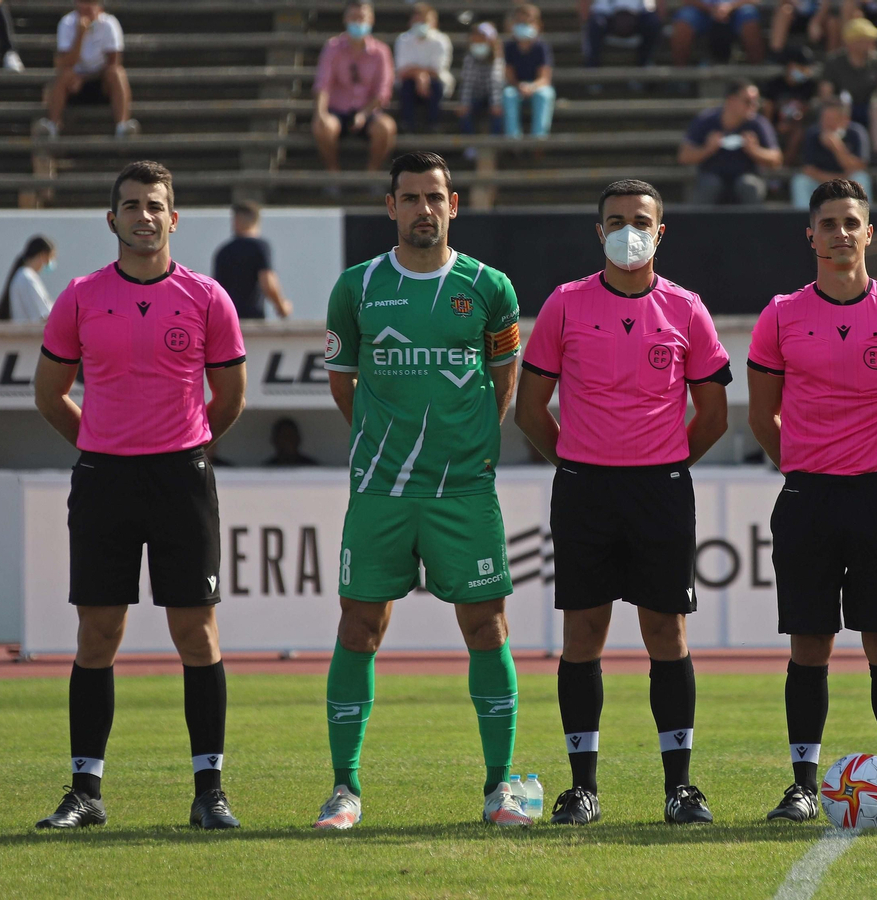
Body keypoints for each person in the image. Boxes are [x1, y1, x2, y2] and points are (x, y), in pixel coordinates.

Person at [315, 151, 530, 830]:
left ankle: (501, 789)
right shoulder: (356, 288)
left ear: (453, 203)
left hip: (464, 491)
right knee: (359, 627)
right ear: (391, 207)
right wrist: (389, 445)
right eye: (409, 198)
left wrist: (462, 449)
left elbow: (505, 381)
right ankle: (345, 790)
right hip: (379, 490)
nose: (423, 210)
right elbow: (344, 383)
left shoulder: (490, 287)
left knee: (486, 627)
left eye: (434, 197)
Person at [31, 160, 249, 831]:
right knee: (98, 633)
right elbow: (49, 393)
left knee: (196, 631)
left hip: (181, 477)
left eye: (156, 206)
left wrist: (178, 444)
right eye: (132, 206)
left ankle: (209, 791)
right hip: (105, 479)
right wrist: (101, 440)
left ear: (173, 217)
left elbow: (231, 399)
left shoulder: (209, 297)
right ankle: (85, 792)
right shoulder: (79, 296)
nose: (144, 217)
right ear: (112, 219)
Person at [515, 180, 731, 827]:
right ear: (598, 231)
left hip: (660, 489)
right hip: (585, 488)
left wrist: (660, 461)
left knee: (667, 633)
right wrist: (582, 461)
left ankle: (680, 789)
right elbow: (529, 412)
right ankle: (583, 788)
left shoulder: (688, 309)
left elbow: (714, 416)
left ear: (660, 232)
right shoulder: (564, 305)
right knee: (583, 634)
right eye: (615, 220)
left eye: (640, 220)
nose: (627, 230)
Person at [748, 178, 877, 825]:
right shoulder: (780, 314)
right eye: (829, 223)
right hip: (808, 497)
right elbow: (761, 417)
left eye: (851, 222)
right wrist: (807, 469)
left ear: (869, 233)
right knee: (808, 644)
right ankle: (803, 786)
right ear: (810, 235)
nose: (841, 233)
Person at [312, 1, 397, 173]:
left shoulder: (381, 52)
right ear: (345, 19)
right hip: (337, 111)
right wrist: (320, 113)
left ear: (371, 19)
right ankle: (333, 172)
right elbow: (323, 84)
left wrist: (363, 114)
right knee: (322, 126)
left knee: (386, 128)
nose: (358, 22)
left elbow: (383, 91)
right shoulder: (332, 47)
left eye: (362, 17)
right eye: (353, 17)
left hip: (368, 112)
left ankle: (372, 172)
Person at [35, 0, 131, 139]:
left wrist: (87, 77)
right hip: (74, 85)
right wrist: (80, 35)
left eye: (92, 2)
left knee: (117, 73)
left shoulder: (110, 23)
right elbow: (64, 63)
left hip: (101, 83)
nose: (87, 6)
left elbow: (114, 62)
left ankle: (122, 127)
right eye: (84, 2)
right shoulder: (67, 23)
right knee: (63, 76)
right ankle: (52, 126)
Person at [678, 79, 783, 205]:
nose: (754, 106)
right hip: (712, 175)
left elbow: (776, 159)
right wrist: (708, 149)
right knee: (709, 185)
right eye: (748, 101)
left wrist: (754, 150)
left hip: (747, 175)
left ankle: (755, 225)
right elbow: (684, 156)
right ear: (731, 100)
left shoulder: (758, 123)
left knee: (749, 185)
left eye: (756, 102)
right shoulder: (706, 120)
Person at [212, 201, 294, 320]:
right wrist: (282, 307)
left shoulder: (223, 251)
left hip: (226, 319)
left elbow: (215, 290)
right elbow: (268, 281)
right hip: (252, 318)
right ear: (256, 220)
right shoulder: (259, 246)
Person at [819, 17, 877, 147]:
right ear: (853, 42)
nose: (873, 43)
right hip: (843, 106)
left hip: (869, 107)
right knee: (841, 104)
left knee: (876, 106)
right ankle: (839, 146)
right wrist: (839, 104)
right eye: (868, 39)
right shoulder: (834, 62)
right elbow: (826, 94)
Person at [792, 93, 871, 208]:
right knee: (800, 181)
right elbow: (808, 169)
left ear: (844, 120)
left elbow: (860, 166)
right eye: (825, 119)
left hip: (848, 183)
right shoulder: (813, 134)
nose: (827, 124)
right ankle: (802, 221)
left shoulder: (856, 133)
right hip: (820, 182)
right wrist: (833, 182)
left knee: (861, 178)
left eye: (832, 119)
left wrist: (836, 147)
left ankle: (862, 219)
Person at [394, 3, 453, 134]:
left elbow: (438, 69)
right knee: (407, 85)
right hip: (409, 83)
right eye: (417, 20)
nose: (420, 24)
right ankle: (407, 125)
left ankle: (434, 125)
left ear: (434, 22)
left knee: (436, 86)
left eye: (424, 20)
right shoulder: (403, 40)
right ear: (411, 21)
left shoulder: (441, 40)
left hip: (434, 83)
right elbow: (402, 70)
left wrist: (421, 76)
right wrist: (421, 76)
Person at [502, 4, 555, 138]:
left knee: (544, 95)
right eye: (520, 22)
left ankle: (539, 139)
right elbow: (509, 76)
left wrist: (532, 86)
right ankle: (514, 140)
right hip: (516, 87)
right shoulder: (509, 47)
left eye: (528, 22)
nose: (523, 25)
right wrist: (519, 85)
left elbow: (545, 78)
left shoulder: (541, 47)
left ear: (538, 24)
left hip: (537, 87)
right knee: (508, 95)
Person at [761, 44, 818, 163]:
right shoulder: (773, 85)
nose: (805, 71)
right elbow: (768, 111)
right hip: (775, 125)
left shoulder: (809, 87)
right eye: (801, 67)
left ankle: (784, 165)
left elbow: (805, 111)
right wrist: (773, 126)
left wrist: (790, 123)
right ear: (790, 66)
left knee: (798, 132)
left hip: (797, 125)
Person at [670, 0, 764, 65]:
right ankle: (679, 78)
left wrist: (730, 7)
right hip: (702, 11)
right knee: (684, 19)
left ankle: (759, 76)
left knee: (749, 15)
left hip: (737, 11)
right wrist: (711, 9)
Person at [457, 22, 505, 142]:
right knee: (463, 111)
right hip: (476, 96)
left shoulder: (497, 60)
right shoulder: (469, 59)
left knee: (499, 109)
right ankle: (470, 144)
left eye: (482, 40)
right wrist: (464, 103)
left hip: (492, 97)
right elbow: (467, 84)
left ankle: (495, 141)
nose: (478, 43)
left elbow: (495, 84)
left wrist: (496, 104)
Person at [583, 0, 663, 69]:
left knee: (653, 23)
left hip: (638, 14)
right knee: (595, 24)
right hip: (607, 14)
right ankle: (592, 67)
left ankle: (644, 64)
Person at [0, 235, 56, 322]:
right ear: (43, 255)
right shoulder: (27, 278)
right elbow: (43, 315)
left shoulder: (23, 276)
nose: (50, 263)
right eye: (50, 258)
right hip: (30, 333)